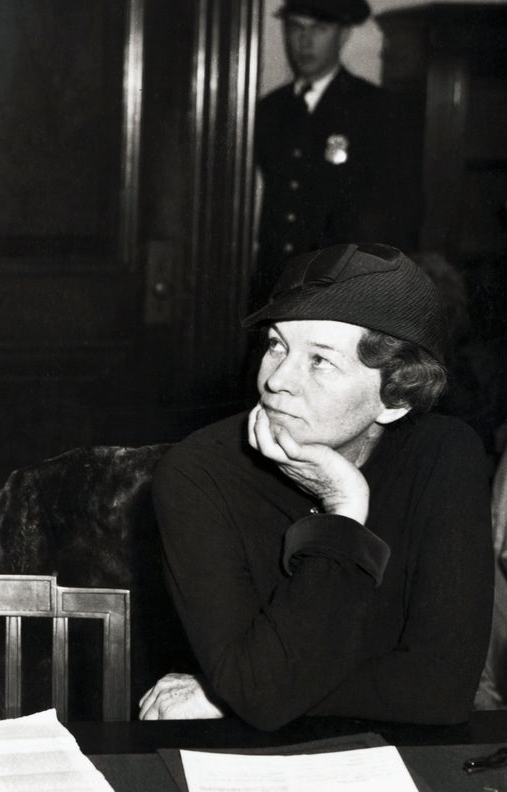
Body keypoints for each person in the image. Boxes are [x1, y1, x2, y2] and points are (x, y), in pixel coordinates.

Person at [141, 243, 492, 730]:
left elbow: (442, 691)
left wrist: (228, 693)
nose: (276, 379)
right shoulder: (196, 473)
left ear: (395, 397)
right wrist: (344, 512)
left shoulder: (446, 456)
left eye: (320, 360)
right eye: (276, 345)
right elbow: (261, 693)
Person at [252, 0, 417, 301]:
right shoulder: (270, 110)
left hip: (343, 294)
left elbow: (396, 220)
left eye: (319, 29)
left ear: (343, 36)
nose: (304, 41)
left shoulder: (376, 110)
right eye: (295, 27)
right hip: (275, 289)